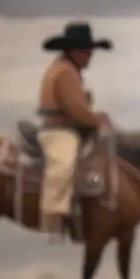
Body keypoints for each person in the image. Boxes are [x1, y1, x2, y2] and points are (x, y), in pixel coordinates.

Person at [36, 20, 113, 239]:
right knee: (64, 163)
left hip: (68, 126)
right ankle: (53, 216)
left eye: (90, 52)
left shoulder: (67, 68)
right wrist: (98, 120)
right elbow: (76, 110)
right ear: (74, 51)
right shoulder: (64, 72)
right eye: (86, 52)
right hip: (59, 131)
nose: (89, 56)